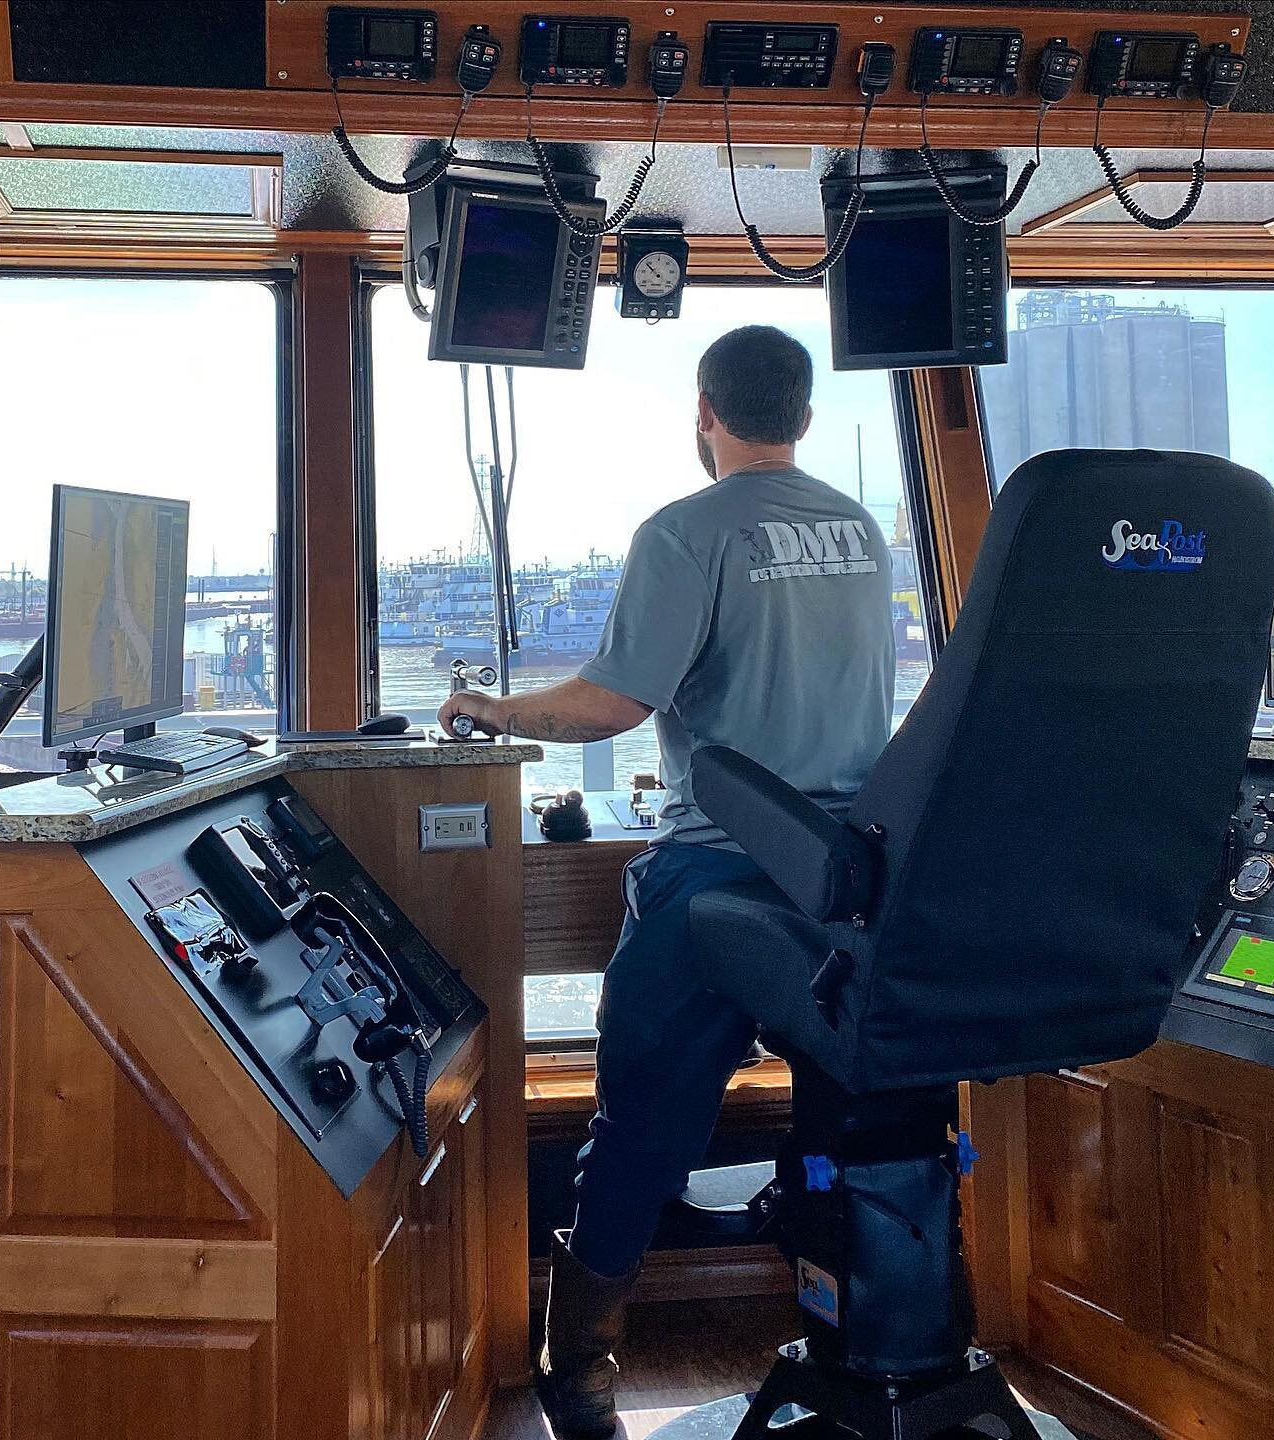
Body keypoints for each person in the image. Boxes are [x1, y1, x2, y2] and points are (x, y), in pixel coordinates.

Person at [437, 324, 896, 1437]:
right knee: (851, 1112)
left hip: (720, 877)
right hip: (851, 882)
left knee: (640, 1116)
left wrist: (492, 711)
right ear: (802, 413)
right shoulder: (864, 529)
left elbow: (613, 705)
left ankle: (580, 1364)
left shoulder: (684, 531)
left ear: (705, 412)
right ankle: (867, 1339)